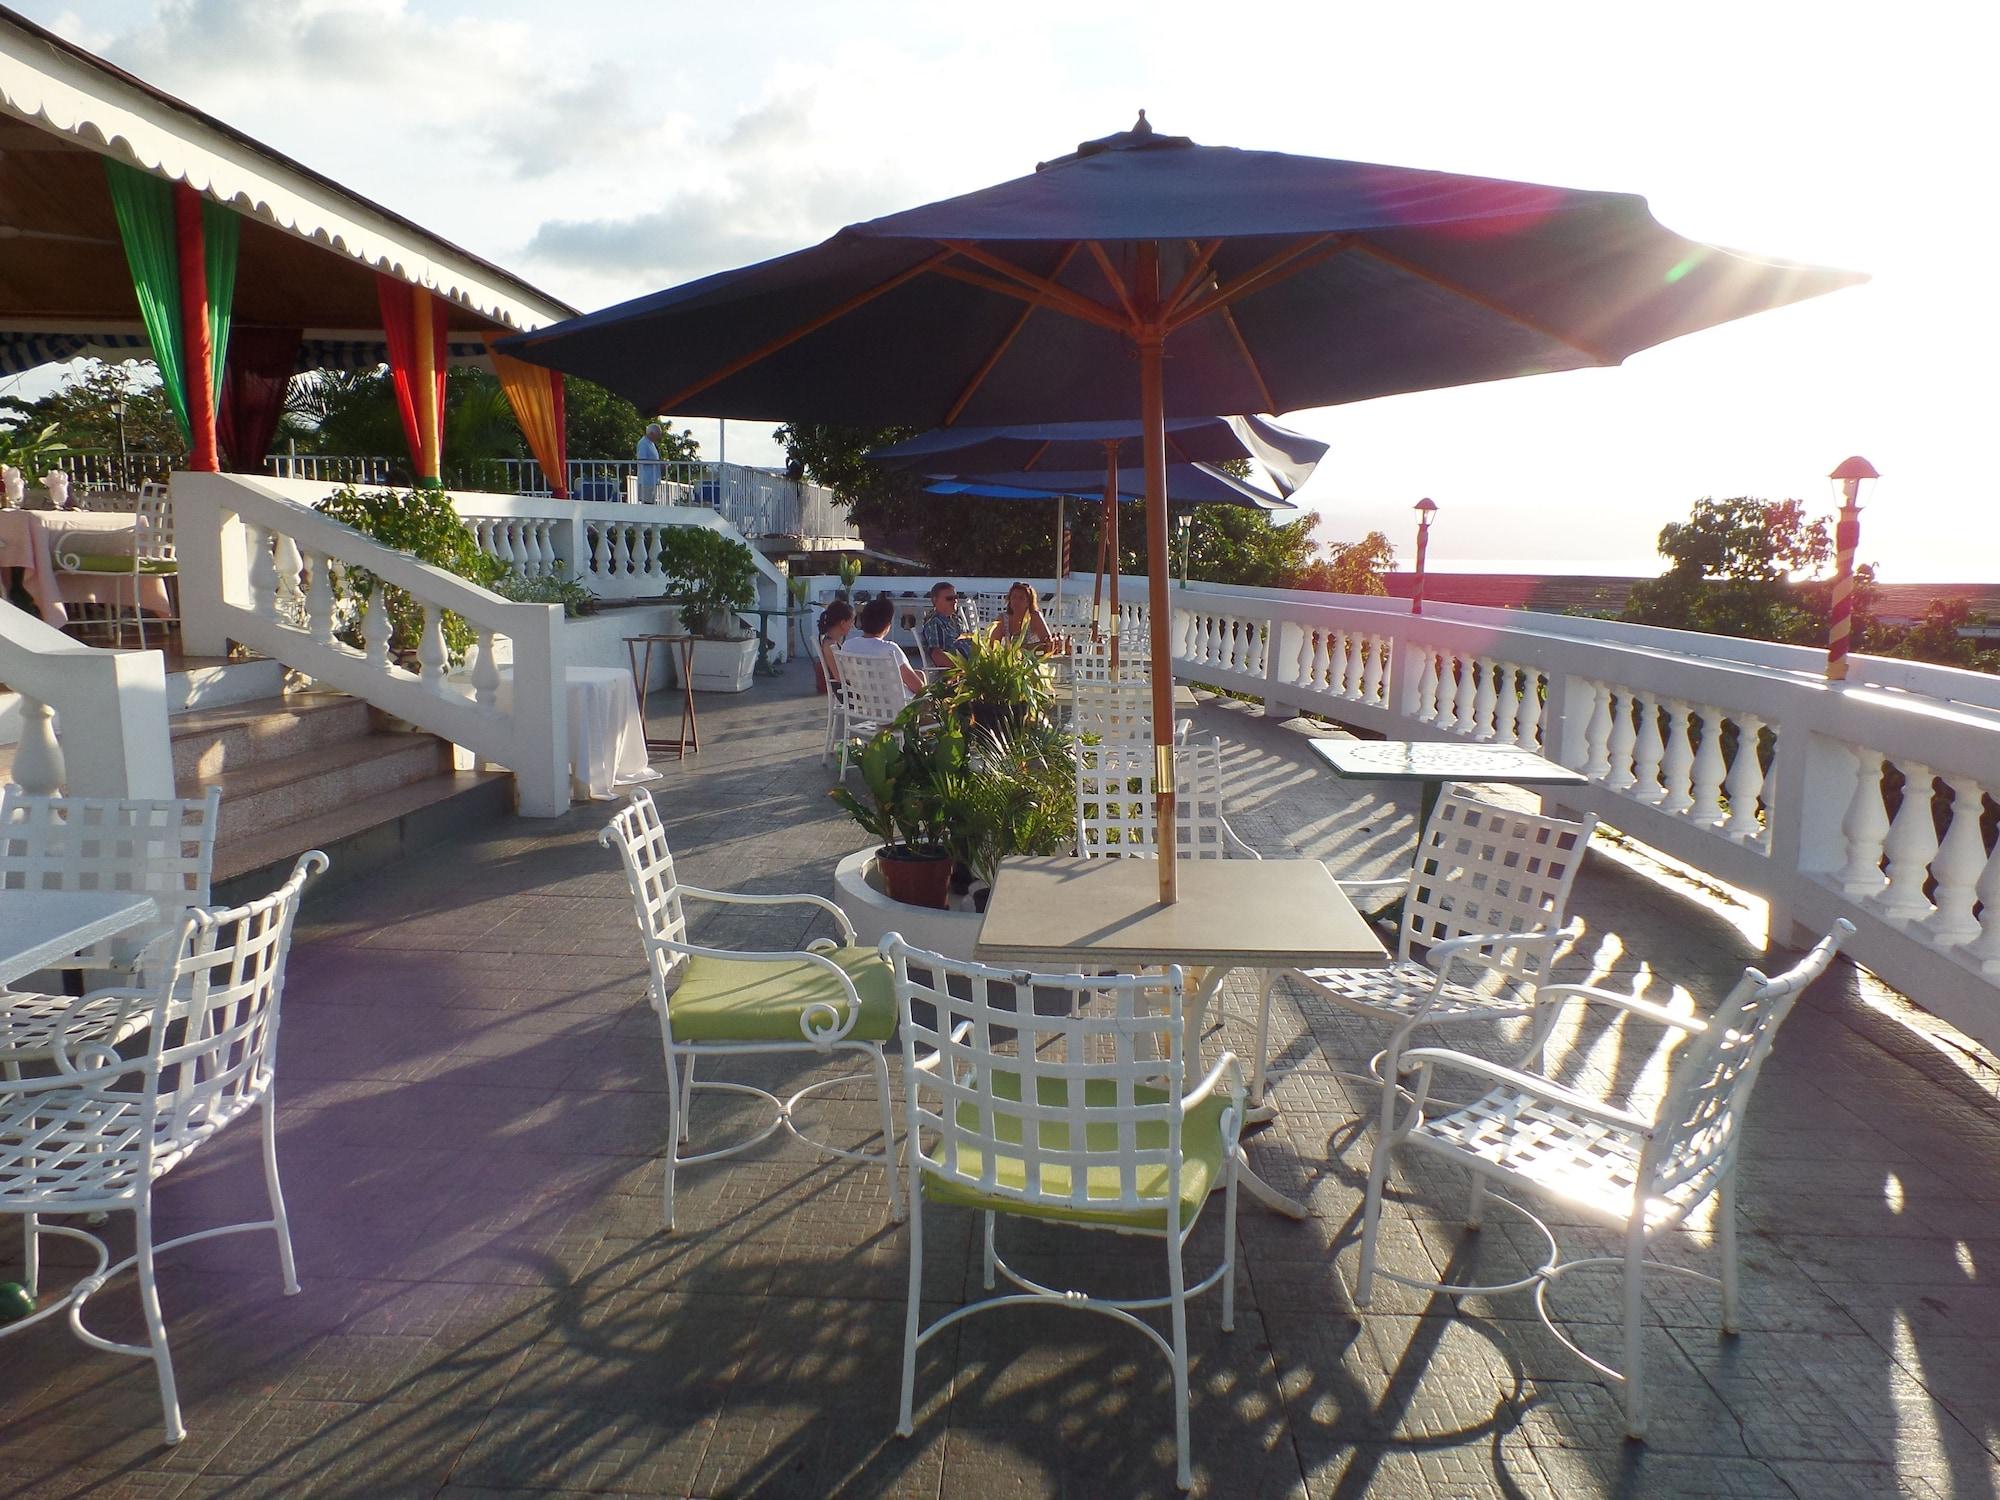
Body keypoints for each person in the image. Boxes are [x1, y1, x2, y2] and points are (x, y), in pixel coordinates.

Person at [842, 595, 925, 696]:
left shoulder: (848, 646)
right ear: (887, 625)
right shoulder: (890, 649)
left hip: (866, 704)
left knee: (919, 674)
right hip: (898, 707)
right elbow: (918, 687)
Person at [917, 581, 973, 669]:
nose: (954, 601)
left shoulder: (956, 619)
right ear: (935, 600)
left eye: (955, 597)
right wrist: (964, 669)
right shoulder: (935, 623)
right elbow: (937, 656)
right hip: (960, 673)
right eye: (949, 598)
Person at [990, 581, 1057, 654]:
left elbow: (1048, 643)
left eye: (1021, 598)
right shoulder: (1003, 618)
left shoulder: (1034, 617)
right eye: (1014, 597)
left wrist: (1025, 648)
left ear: (1028, 602)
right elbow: (992, 645)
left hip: (1030, 661)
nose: (1016, 601)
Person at [817, 598, 855, 688]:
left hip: (844, 688)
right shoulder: (830, 646)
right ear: (842, 623)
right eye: (851, 621)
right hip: (844, 691)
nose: (852, 626)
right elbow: (839, 677)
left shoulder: (832, 642)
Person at [635, 422, 663, 503]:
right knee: (647, 503)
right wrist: (658, 463)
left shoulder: (651, 444)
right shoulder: (643, 443)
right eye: (657, 435)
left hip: (651, 480)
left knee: (651, 502)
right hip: (646, 480)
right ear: (652, 433)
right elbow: (641, 460)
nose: (658, 437)